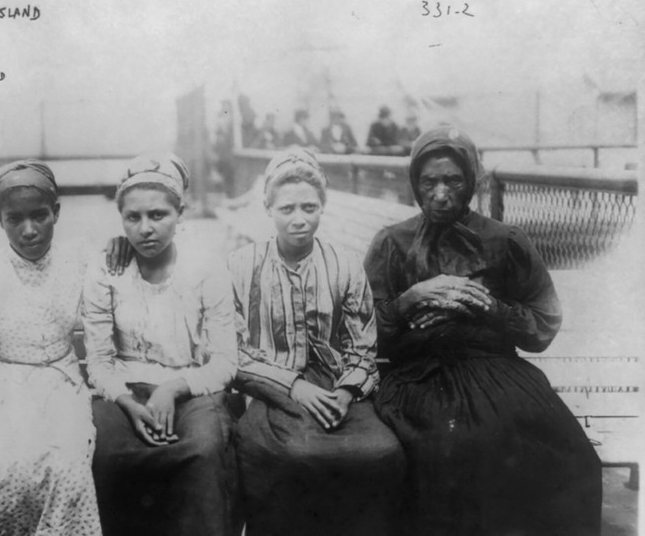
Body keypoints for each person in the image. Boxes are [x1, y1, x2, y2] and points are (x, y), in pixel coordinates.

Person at [363, 126, 602, 536]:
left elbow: (541, 327)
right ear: (415, 184)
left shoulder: (506, 241)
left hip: (497, 372)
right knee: (451, 450)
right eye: (429, 181)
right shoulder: (392, 243)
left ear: (471, 182)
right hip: (418, 377)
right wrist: (411, 300)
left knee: (568, 452)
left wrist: (489, 308)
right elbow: (361, 326)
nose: (440, 193)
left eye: (453, 181)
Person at [229, 148, 405, 536]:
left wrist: (344, 393)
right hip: (269, 389)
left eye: (309, 207)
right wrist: (293, 386)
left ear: (323, 207)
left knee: (382, 451)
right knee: (294, 455)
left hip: (338, 390)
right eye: (287, 208)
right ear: (268, 208)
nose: (299, 219)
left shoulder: (344, 264)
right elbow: (231, 350)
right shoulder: (242, 265)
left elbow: (363, 348)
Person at [0, 160, 103, 536]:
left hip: (63, 378)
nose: (29, 230)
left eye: (40, 216)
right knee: (8, 466)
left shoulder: (80, 261)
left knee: (68, 463)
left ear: (56, 213)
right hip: (6, 384)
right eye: (15, 219)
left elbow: (115, 276)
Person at [83, 153, 240, 536]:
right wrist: (126, 402)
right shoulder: (107, 268)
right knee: (106, 455)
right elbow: (100, 361)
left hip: (191, 388)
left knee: (202, 452)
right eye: (132, 218)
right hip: (123, 390)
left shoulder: (205, 267)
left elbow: (224, 362)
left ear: (180, 213)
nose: (145, 229)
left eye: (158, 215)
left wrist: (173, 388)